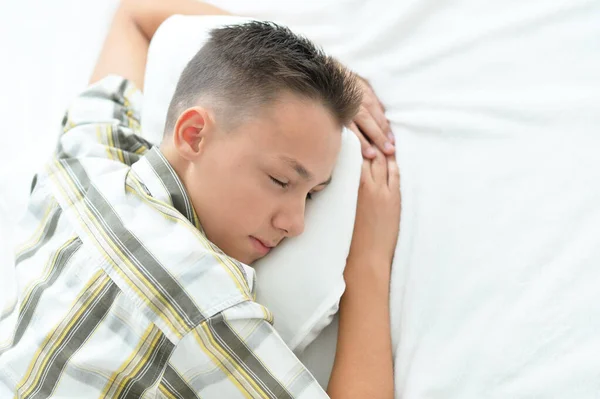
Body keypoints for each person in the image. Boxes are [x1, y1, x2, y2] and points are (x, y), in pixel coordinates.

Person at [0, 0, 400, 398]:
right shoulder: (201, 305)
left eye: (312, 195)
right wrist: (369, 262)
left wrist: (319, 70)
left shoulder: (88, 160)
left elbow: (134, 15)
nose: (296, 223)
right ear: (193, 134)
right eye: (280, 180)